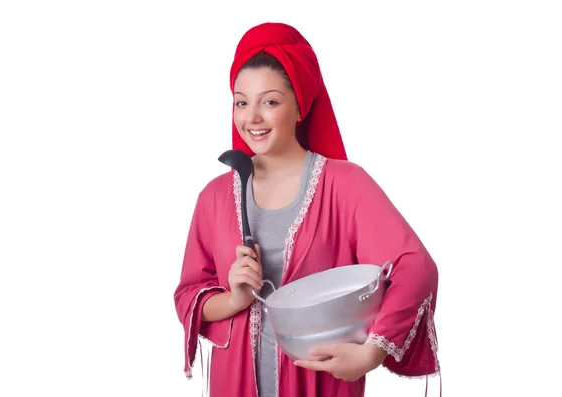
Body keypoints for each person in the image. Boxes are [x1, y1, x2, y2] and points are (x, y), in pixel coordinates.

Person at [174, 22, 441, 397]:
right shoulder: (214, 196)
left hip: (321, 386)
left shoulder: (344, 185)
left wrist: (371, 354)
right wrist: (235, 299)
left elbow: (415, 266)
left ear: (299, 106)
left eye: (269, 101)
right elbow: (189, 295)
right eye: (241, 101)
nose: (252, 117)